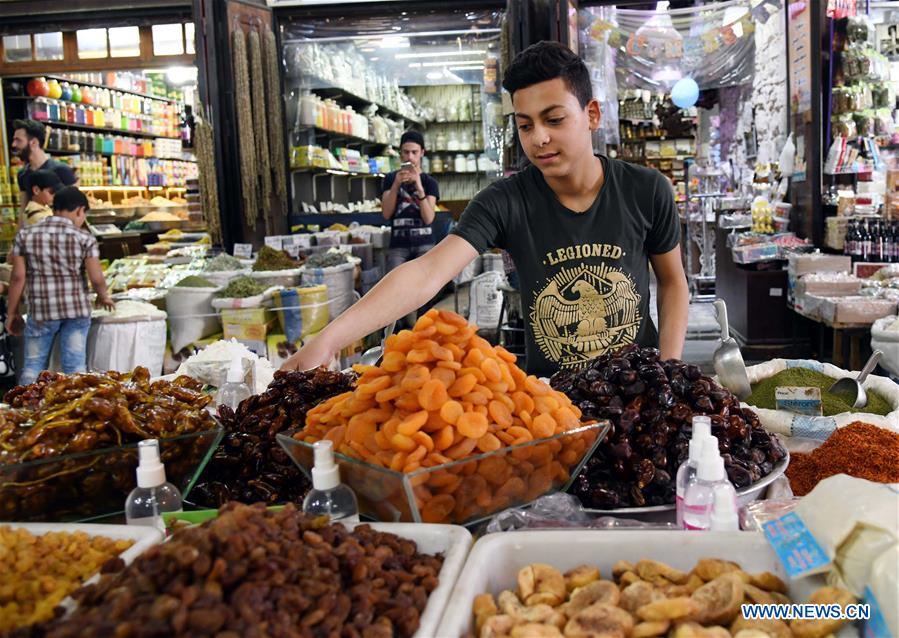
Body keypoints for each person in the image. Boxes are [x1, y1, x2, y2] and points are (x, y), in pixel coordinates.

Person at [282, 41, 689, 377]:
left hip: (641, 388)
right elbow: (426, 273)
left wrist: (670, 371)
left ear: (592, 115)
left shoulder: (645, 189)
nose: (539, 138)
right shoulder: (505, 201)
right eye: (525, 125)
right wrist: (328, 339)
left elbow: (672, 282)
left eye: (554, 119)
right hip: (552, 399)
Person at [5, 186, 114, 384]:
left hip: (41, 311)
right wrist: (103, 295)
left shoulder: (25, 236)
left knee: (33, 365)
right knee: (75, 367)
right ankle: (75, 409)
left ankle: (24, 410)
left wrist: (12, 313)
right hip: (76, 311)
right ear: (80, 210)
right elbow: (96, 278)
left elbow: (18, 277)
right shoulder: (84, 238)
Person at [381, 130, 439, 271]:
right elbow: (386, 214)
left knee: (427, 284)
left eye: (414, 152)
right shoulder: (390, 179)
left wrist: (419, 187)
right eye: (406, 152)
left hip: (425, 243)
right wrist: (396, 184)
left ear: (422, 153)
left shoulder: (429, 182)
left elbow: (429, 218)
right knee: (394, 283)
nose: (410, 157)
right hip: (398, 244)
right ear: (400, 153)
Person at [11, 119, 77, 211]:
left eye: (18, 140)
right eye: (14, 140)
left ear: (34, 142)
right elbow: (24, 210)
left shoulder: (62, 170)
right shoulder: (22, 174)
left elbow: (77, 208)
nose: (13, 144)